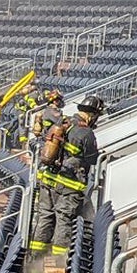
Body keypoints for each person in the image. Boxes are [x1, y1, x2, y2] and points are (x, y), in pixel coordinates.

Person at [30, 96, 103, 255]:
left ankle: (35, 258)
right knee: (64, 220)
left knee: (45, 217)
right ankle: (59, 260)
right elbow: (92, 159)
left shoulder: (62, 122)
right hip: (68, 185)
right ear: (92, 114)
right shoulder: (86, 132)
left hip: (47, 179)